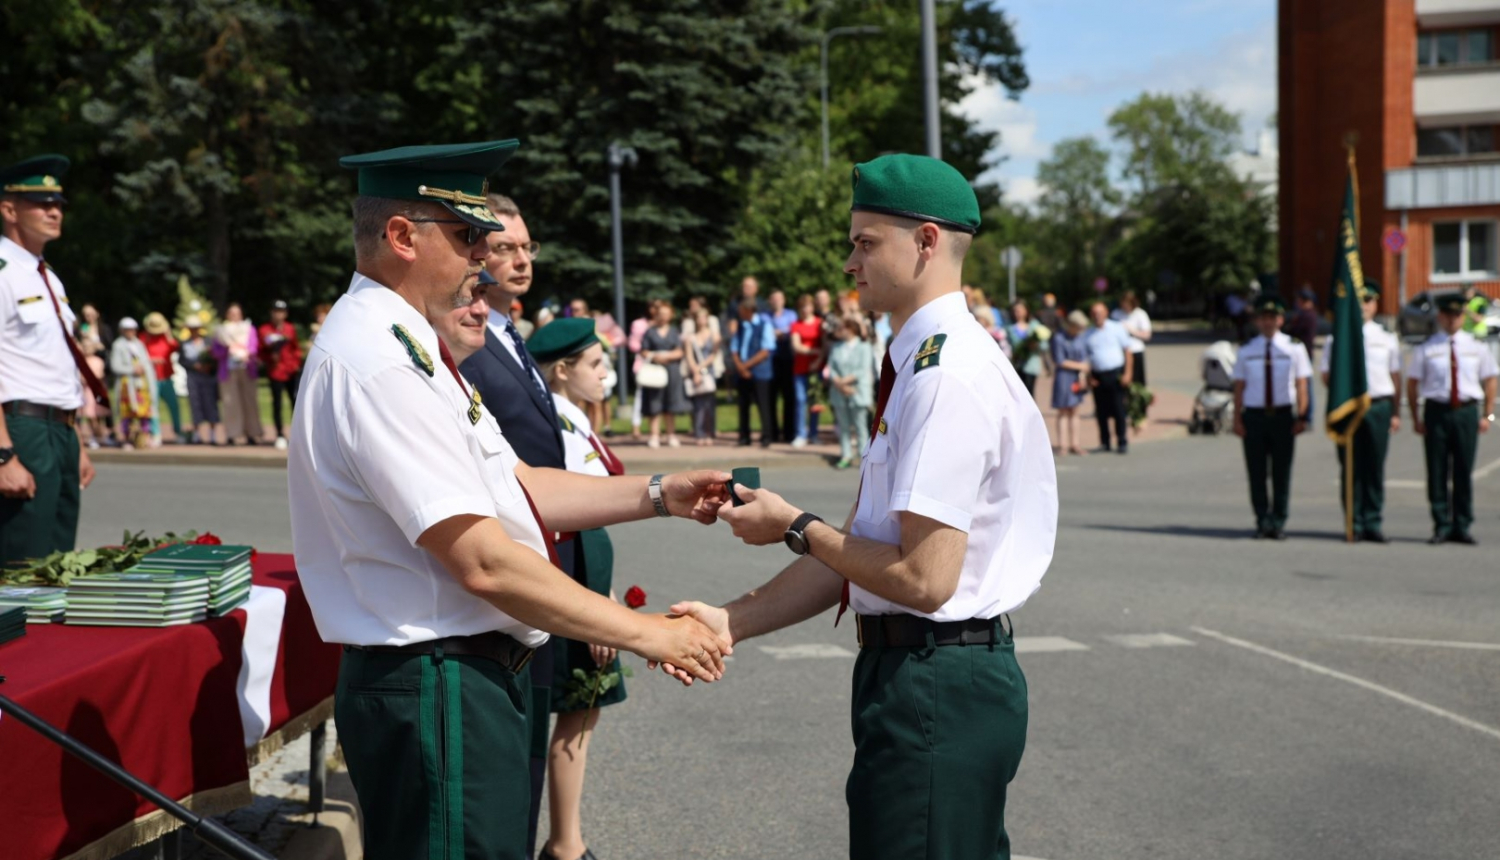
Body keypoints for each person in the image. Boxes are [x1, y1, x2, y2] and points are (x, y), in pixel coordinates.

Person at [290, 140, 728, 860]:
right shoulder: (378, 360)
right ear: (402, 236)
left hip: (463, 678)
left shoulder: (408, 345)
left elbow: (515, 485)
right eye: (467, 236)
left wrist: (658, 493)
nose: (481, 257)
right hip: (438, 681)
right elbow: (484, 562)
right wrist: (649, 633)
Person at [673, 154, 1056, 860]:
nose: (850, 263)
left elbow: (921, 579)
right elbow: (862, 553)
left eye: (866, 242)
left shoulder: (945, 374)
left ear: (928, 241)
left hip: (936, 680)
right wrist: (731, 619)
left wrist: (794, 525)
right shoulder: (921, 364)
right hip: (922, 678)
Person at [453, 194, 573, 855]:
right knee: (512, 771)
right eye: (505, 248)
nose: (521, 259)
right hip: (514, 571)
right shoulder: (467, 344)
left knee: (529, 754)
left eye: (527, 247)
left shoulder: (506, 332)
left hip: (546, 561)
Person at [522, 318, 629, 860]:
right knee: (577, 705)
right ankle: (565, 846)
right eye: (595, 364)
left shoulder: (573, 417)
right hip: (571, 574)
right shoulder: (558, 425)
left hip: (585, 571)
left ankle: (566, 840)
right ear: (561, 372)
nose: (606, 373)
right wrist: (593, 599)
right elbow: (569, 517)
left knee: (583, 708)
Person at [0, 154, 100, 567]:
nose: (54, 211)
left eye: (58, 203)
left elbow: (54, 362)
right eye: (41, 203)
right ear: (8, 210)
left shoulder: (47, 276)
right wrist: (3, 454)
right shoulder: (3, 273)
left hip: (58, 430)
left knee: (58, 567)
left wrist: (73, 439)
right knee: (21, 568)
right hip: (21, 430)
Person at [1406, 292, 1498, 545]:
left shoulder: (1475, 346)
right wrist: (1415, 416)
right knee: (1437, 471)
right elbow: (1412, 383)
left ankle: (1463, 524)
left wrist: (1487, 414)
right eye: (1448, 315)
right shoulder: (1427, 348)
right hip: (1437, 411)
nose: (1452, 320)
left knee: (1463, 470)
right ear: (1440, 316)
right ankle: (1441, 524)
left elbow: (1490, 379)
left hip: (1466, 412)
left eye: (1457, 315)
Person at [1319, 281, 1402, 543]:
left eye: (1369, 300)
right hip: (1350, 408)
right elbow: (1327, 375)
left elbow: (1395, 376)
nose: (1364, 306)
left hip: (1378, 406)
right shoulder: (1338, 337)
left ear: (1376, 304)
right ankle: (1352, 522)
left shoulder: (1387, 339)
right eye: (1360, 300)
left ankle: (1373, 521)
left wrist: (1395, 412)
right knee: (1350, 467)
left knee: (1374, 466)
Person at [1232, 295, 1313, 540]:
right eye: (1263, 318)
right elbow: (1239, 387)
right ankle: (1261, 519)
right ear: (1257, 321)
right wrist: (1237, 418)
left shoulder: (1294, 348)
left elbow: (1301, 384)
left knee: (1281, 471)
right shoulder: (1247, 350)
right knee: (1256, 472)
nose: (1268, 323)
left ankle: (1278, 521)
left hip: (1282, 416)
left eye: (1273, 318)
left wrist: (1302, 415)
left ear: (1280, 320)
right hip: (1254, 416)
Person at [1083, 300, 1133, 453]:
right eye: (1094, 313)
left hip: (1116, 373)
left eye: (1100, 312)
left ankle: (1122, 441)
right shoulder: (1088, 334)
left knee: (1118, 409)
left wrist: (1128, 373)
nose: (1097, 316)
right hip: (1098, 376)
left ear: (1106, 313)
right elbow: (1085, 359)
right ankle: (1105, 441)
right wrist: (1088, 377)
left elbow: (1128, 351)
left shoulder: (1116, 328)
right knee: (1101, 411)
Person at [825, 312, 873, 469]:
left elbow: (862, 369)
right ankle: (846, 454)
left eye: (841, 328)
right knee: (844, 426)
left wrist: (845, 382)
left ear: (850, 329)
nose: (838, 331)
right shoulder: (836, 347)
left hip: (857, 390)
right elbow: (831, 368)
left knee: (860, 426)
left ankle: (863, 455)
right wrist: (839, 384)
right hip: (839, 391)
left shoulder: (864, 346)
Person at [640, 301, 687, 448]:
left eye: (666, 314)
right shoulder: (650, 331)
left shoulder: (674, 331)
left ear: (671, 315)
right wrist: (655, 356)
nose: (663, 317)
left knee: (670, 403)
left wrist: (668, 356)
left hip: (672, 371)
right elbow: (644, 350)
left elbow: (680, 351)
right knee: (654, 403)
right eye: (661, 314)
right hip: (655, 371)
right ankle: (654, 435)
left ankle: (671, 434)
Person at [215, 302, 263, 446]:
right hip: (229, 371)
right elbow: (216, 351)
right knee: (230, 402)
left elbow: (254, 346)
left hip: (246, 368)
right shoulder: (221, 330)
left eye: (237, 313)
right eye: (232, 313)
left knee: (249, 401)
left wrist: (246, 352)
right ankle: (232, 433)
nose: (234, 316)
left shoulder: (249, 329)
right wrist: (228, 350)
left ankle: (252, 432)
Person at [731, 296, 775, 447]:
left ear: (749, 311)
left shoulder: (764, 325)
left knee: (763, 405)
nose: (740, 314)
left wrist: (746, 365)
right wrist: (739, 366)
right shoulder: (741, 326)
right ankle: (744, 436)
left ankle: (767, 436)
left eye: (742, 311)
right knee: (743, 406)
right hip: (743, 371)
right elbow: (734, 347)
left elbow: (765, 351)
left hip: (759, 372)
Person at [259, 299, 303, 449]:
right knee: (277, 404)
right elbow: (262, 350)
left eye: (281, 312)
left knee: (295, 402)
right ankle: (279, 434)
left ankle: (296, 434)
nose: (279, 315)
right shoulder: (265, 329)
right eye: (276, 311)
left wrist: (296, 363)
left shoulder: (290, 329)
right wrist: (269, 358)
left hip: (290, 370)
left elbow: (295, 348)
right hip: (275, 371)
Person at [110, 317, 156, 447]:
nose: (130, 332)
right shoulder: (118, 345)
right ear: (122, 331)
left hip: (141, 385)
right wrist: (132, 369)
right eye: (127, 330)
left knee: (144, 413)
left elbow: (145, 362)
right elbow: (115, 366)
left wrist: (144, 369)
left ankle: (144, 438)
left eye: (132, 330)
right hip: (127, 386)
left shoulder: (139, 344)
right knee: (127, 414)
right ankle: (126, 439)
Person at [1051, 310, 1092, 456]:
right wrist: (1080, 367)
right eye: (1078, 327)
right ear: (1071, 325)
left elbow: (1084, 357)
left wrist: (1082, 375)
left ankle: (1075, 444)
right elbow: (1060, 361)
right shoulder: (1059, 338)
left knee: (1075, 410)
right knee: (1063, 411)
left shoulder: (1080, 338)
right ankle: (1062, 445)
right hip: (1064, 376)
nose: (1080, 331)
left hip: (1077, 377)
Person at [682, 296, 720, 446]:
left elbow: (714, 354)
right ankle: (699, 433)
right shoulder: (691, 338)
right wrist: (695, 371)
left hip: (709, 372)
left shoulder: (714, 335)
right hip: (696, 373)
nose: (701, 320)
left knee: (709, 405)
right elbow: (689, 355)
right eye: (699, 317)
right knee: (698, 405)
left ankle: (710, 432)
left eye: (704, 317)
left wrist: (702, 367)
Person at [180, 314, 223, 445]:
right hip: (193, 376)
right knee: (195, 404)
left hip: (208, 376)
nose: (194, 330)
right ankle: (197, 434)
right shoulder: (184, 343)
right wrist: (194, 366)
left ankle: (213, 434)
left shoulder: (208, 341)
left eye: (196, 328)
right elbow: (182, 360)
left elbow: (216, 357)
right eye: (191, 328)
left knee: (210, 403)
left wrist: (208, 365)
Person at [140, 312, 181, 444]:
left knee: (174, 406)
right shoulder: (143, 338)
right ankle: (156, 433)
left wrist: (168, 333)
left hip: (166, 378)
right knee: (153, 407)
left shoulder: (165, 338)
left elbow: (175, 347)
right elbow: (138, 356)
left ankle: (178, 431)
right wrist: (151, 361)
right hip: (151, 379)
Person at [789, 294, 824, 447]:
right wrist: (813, 351)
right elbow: (796, 346)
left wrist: (817, 360)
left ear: (812, 307)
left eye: (808, 306)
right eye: (802, 306)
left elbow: (825, 346)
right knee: (800, 400)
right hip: (800, 368)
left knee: (814, 402)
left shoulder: (819, 323)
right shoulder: (796, 325)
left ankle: (814, 433)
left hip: (816, 368)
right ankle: (800, 434)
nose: (805, 309)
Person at [766, 289, 797, 444]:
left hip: (787, 359)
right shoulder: (764, 316)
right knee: (771, 398)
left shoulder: (791, 314)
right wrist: (780, 332)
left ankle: (789, 433)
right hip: (771, 360)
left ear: (784, 301)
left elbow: (793, 331)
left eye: (780, 299)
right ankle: (772, 433)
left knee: (788, 398)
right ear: (770, 301)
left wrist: (777, 332)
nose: (777, 301)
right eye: (774, 299)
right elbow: (765, 333)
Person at [1287, 287, 1320, 419]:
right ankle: (1306, 413)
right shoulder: (1305, 314)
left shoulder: (1307, 315)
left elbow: (1295, 331)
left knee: (1305, 385)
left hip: (1305, 354)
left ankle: (1308, 414)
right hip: (1303, 353)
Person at [1005, 300, 1046, 396]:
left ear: (1026, 311)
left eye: (1019, 310)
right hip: (1016, 365)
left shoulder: (1034, 326)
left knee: (1030, 393)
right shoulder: (1009, 328)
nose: (1017, 313)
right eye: (1015, 311)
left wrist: (1035, 345)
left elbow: (1044, 345)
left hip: (1031, 365)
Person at [1117, 290, 1152, 386]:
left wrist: (1132, 331)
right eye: (1123, 303)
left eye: (1127, 304)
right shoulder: (1116, 314)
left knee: (1137, 381)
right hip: (1120, 351)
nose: (1125, 306)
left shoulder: (1140, 314)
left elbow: (1147, 335)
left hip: (1136, 350)